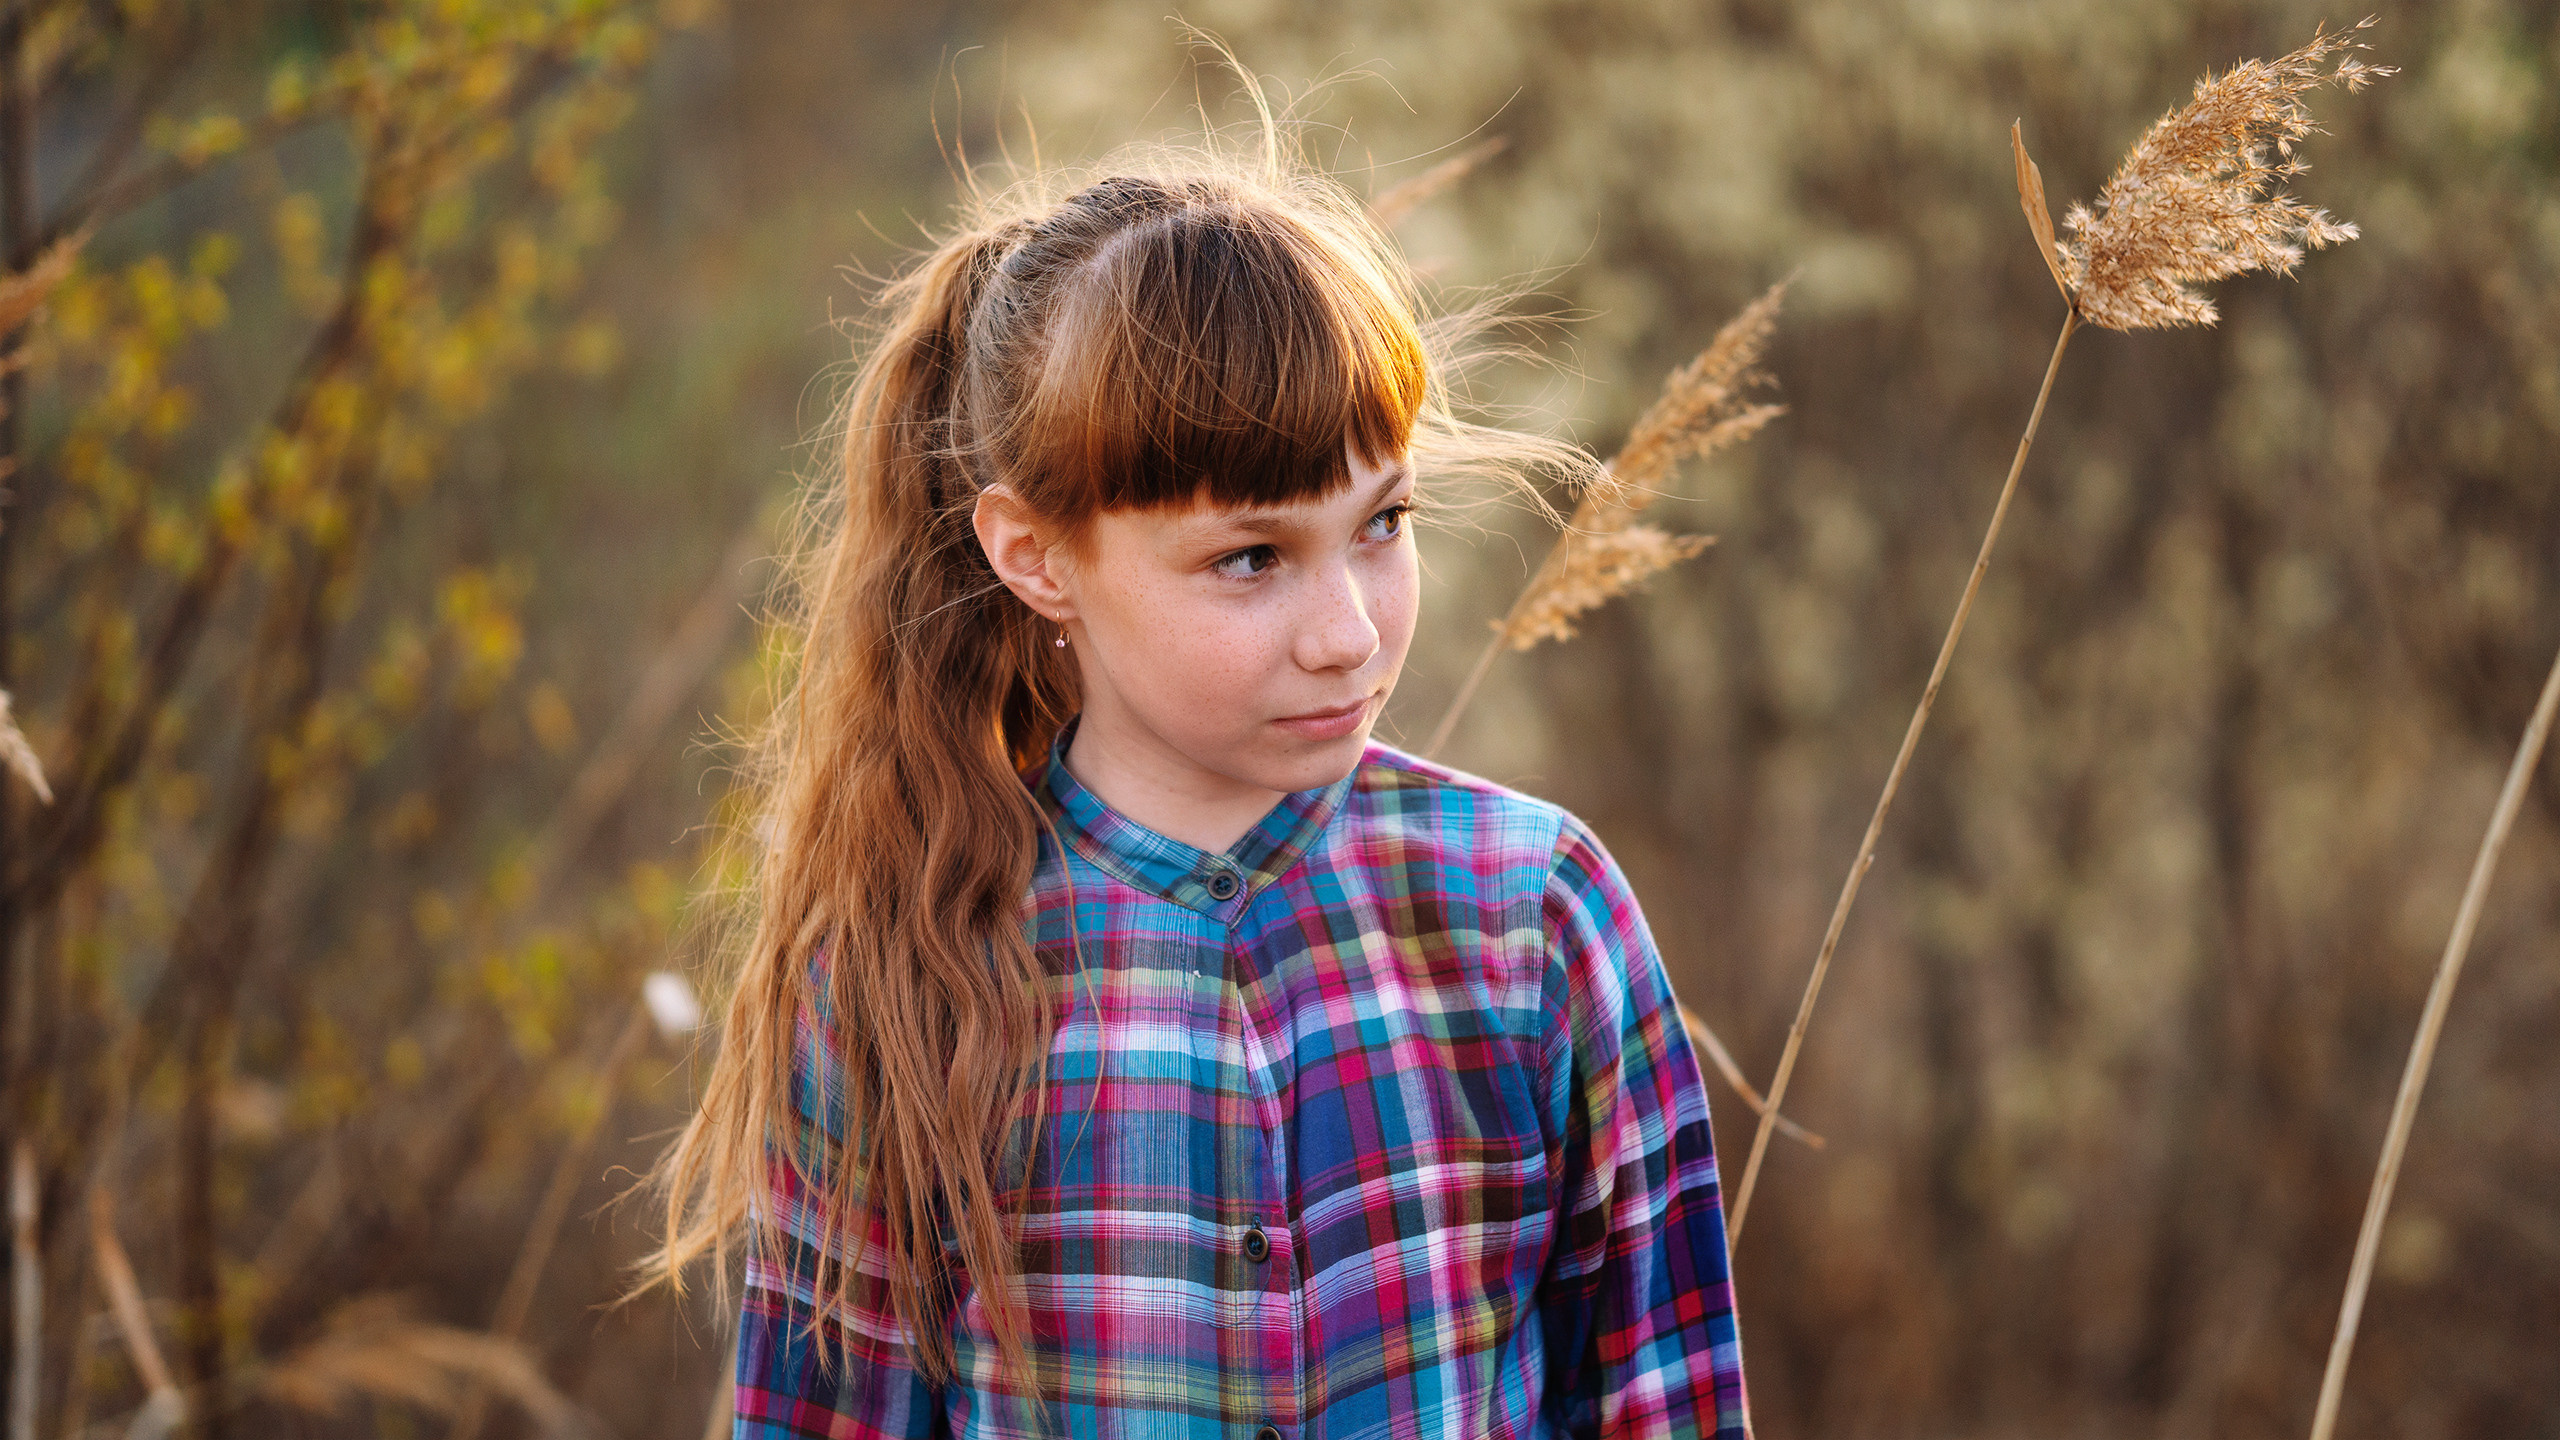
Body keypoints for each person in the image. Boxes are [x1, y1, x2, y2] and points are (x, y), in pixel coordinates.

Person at [652, 113, 1751, 1440]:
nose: (1347, 629)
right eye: (1252, 559)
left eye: (1381, 526)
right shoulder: (909, 981)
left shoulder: (1535, 916)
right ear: (1037, 556)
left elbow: (1663, 1399)